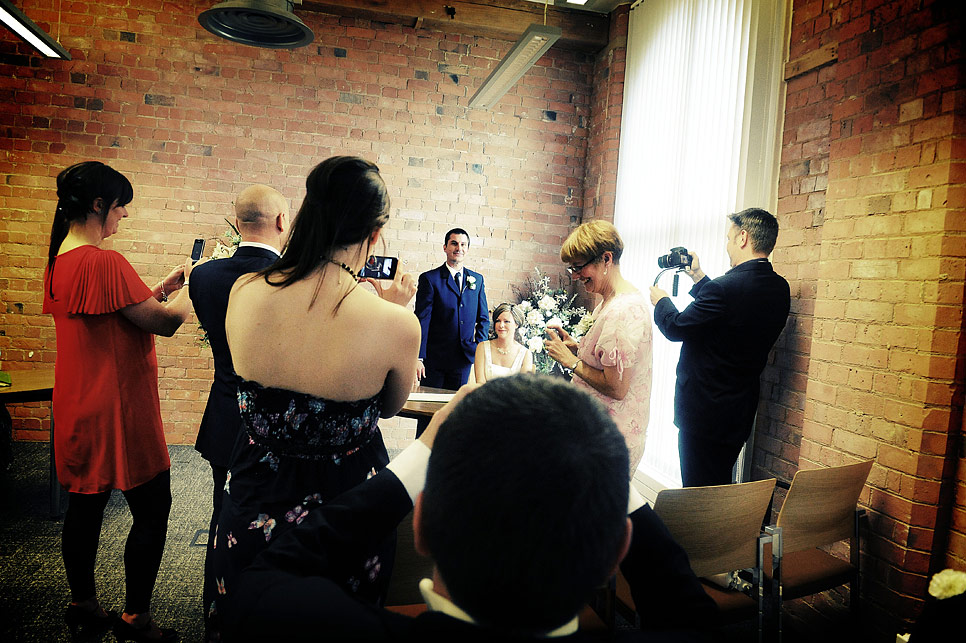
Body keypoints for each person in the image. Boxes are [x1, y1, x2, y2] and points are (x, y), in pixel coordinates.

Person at [220, 374, 717, 641]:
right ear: (617, 553)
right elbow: (687, 606)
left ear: (420, 524)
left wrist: (422, 452)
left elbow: (265, 576)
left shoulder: (295, 620)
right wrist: (593, 456)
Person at [210, 156, 420, 626]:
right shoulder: (396, 324)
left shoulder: (244, 290)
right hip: (343, 513)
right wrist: (389, 307)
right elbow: (390, 407)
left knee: (250, 620)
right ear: (375, 235)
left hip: (252, 495)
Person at [43, 161, 194, 642]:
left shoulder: (60, 261)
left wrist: (163, 288)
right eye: (120, 204)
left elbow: (112, 313)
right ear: (98, 205)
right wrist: (199, 286)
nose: (124, 214)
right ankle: (136, 619)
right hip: (119, 410)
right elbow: (164, 323)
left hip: (77, 403)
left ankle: (83, 604)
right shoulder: (104, 261)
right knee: (154, 509)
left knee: (83, 508)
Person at [187, 184, 290, 634]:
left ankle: (216, 602)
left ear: (238, 221)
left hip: (224, 410)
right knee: (274, 516)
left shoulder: (204, 277)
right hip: (274, 422)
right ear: (283, 222)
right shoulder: (292, 278)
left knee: (222, 511)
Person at [649, 208, 790, 487]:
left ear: (743, 237)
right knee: (718, 487)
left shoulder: (726, 288)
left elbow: (677, 327)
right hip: (738, 413)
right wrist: (699, 276)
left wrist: (662, 302)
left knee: (698, 494)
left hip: (703, 416)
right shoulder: (779, 288)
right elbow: (728, 313)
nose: (727, 245)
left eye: (729, 238)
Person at [544, 220, 653, 474]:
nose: (575, 276)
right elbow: (610, 359)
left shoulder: (622, 311)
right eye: (572, 268)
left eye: (579, 267)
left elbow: (616, 387)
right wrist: (577, 346)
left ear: (606, 258)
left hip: (608, 441)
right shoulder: (612, 301)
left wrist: (569, 361)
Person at [415, 228, 489, 389]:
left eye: (463, 245)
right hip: (435, 358)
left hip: (463, 359)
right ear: (445, 247)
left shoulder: (477, 280)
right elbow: (422, 320)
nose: (459, 248)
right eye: (454, 243)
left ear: (467, 249)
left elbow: (483, 318)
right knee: (428, 407)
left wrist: (479, 347)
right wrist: (419, 357)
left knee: (455, 408)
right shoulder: (430, 279)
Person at [473, 302, 534, 383]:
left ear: (516, 324)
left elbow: (523, 388)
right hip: (484, 394)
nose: (501, 325)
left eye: (506, 321)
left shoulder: (526, 354)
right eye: (498, 321)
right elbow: (480, 382)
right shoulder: (482, 347)